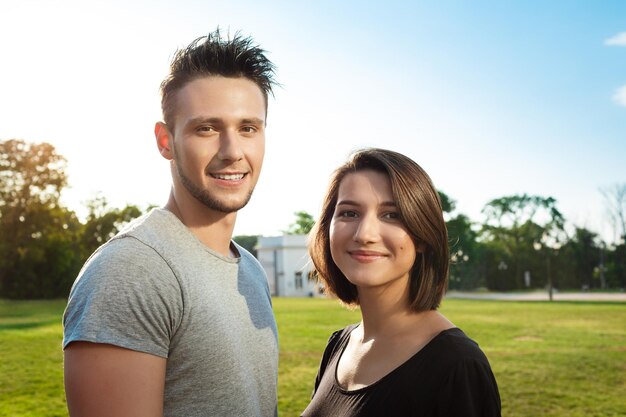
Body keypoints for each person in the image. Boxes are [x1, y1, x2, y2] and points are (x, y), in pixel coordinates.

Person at [63, 29, 279, 417]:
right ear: (166, 141)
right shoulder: (131, 271)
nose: (233, 152)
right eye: (206, 128)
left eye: (248, 128)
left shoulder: (250, 268)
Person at [301, 148, 501, 417]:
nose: (365, 234)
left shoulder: (457, 365)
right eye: (349, 213)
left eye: (391, 215)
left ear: (422, 237)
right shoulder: (338, 344)